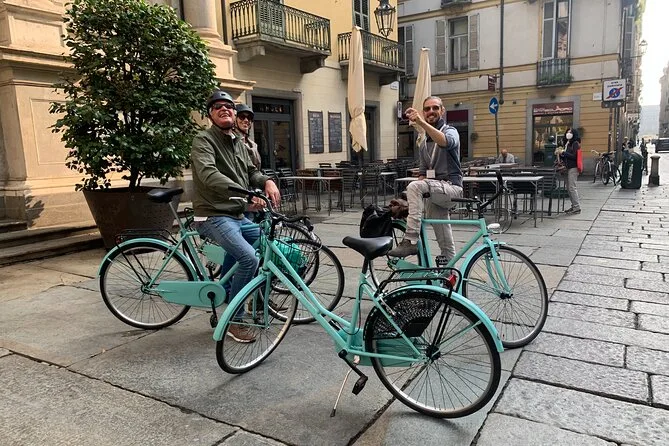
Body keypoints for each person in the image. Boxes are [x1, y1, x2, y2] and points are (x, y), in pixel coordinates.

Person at [191, 90, 281, 343]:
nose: (224, 109)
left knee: (268, 243)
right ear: (210, 115)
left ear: (234, 112)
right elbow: (208, 174)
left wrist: (267, 181)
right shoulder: (203, 140)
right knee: (248, 258)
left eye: (228, 106)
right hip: (213, 215)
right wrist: (245, 194)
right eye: (217, 106)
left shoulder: (238, 143)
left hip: (236, 214)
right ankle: (234, 319)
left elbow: (252, 172)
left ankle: (237, 292)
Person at [388, 96, 463, 259]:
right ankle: (450, 271)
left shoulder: (451, 131)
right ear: (423, 112)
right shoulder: (423, 143)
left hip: (452, 188)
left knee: (414, 186)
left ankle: (410, 240)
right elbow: (423, 174)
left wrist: (421, 123)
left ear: (442, 111)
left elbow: (445, 142)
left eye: (435, 108)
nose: (431, 111)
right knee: (444, 239)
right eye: (427, 109)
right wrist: (411, 201)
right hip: (434, 192)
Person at [559, 127, 581, 215]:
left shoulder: (575, 143)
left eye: (570, 132)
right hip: (567, 167)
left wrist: (564, 153)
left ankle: (577, 207)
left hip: (573, 167)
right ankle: (574, 206)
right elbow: (567, 156)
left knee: (572, 188)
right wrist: (561, 154)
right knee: (569, 188)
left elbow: (574, 156)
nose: (568, 134)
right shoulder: (567, 144)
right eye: (567, 132)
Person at [234, 103, 261, 169]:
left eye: (249, 118)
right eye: (242, 117)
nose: (246, 120)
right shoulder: (231, 141)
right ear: (234, 120)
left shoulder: (253, 144)